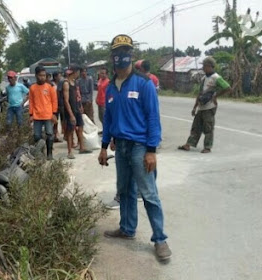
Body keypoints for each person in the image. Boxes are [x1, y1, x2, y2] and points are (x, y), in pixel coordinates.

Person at [98, 34, 171, 261]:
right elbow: (108, 119)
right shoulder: (110, 87)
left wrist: (151, 151)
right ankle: (127, 229)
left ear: (132, 55)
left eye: (126, 52)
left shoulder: (144, 83)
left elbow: (153, 119)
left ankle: (160, 239)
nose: (121, 56)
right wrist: (103, 146)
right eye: (118, 52)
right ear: (112, 56)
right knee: (125, 190)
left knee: (148, 193)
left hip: (140, 148)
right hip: (120, 148)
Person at [178, 57, 231, 153]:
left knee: (208, 127)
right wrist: (195, 107)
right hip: (201, 106)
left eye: (204, 66)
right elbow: (200, 93)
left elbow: (227, 87)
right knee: (196, 126)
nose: (203, 67)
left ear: (209, 66)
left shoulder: (216, 77)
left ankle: (207, 147)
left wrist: (215, 96)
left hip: (210, 107)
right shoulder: (204, 78)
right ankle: (188, 144)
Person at [63, 64, 92, 159]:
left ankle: (82, 147)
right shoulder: (66, 83)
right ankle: (70, 151)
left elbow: (77, 96)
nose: (79, 73)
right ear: (75, 72)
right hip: (70, 110)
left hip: (77, 108)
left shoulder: (75, 82)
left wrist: (80, 106)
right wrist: (71, 115)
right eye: (78, 72)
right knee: (70, 130)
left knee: (80, 127)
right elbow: (66, 101)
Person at [29, 66, 58, 160]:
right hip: (37, 116)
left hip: (48, 115)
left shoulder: (50, 87)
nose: (42, 77)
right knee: (37, 136)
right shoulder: (32, 88)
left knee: (49, 134)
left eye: (44, 75)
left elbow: (54, 101)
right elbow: (31, 102)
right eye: (40, 75)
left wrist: (54, 113)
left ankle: (49, 154)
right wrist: (31, 115)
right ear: (36, 75)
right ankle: (40, 154)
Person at [52, 71, 65, 142]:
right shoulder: (52, 85)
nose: (60, 77)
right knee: (55, 121)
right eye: (59, 76)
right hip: (54, 105)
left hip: (61, 104)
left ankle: (64, 133)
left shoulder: (61, 83)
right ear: (55, 77)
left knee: (63, 120)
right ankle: (55, 135)